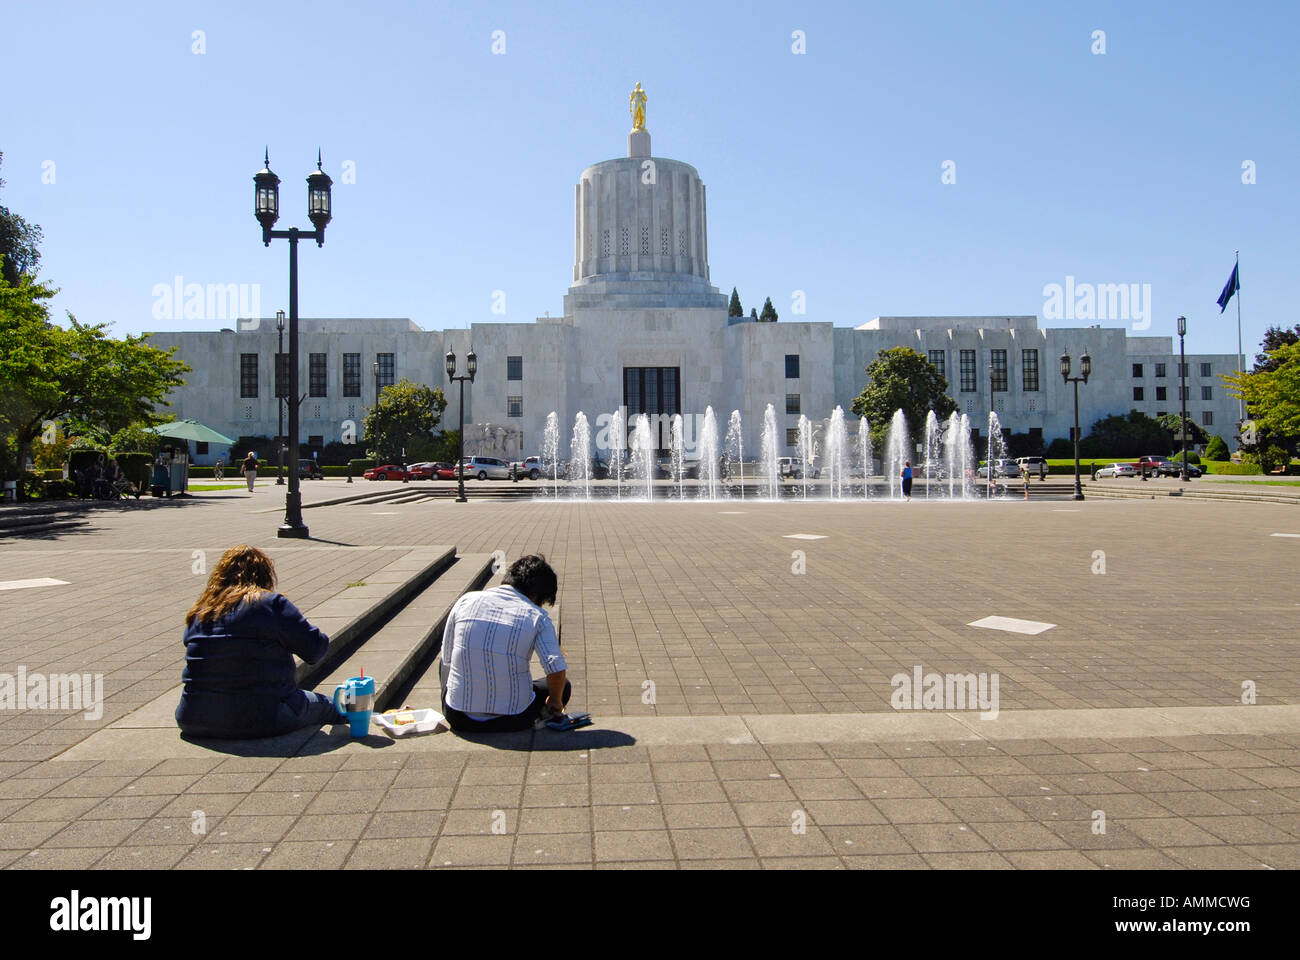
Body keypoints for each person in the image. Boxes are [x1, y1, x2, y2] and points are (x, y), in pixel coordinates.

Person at [176, 545, 346, 739]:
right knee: (330, 705)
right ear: (265, 575)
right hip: (263, 716)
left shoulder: (201, 612)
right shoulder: (271, 604)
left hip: (193, 718)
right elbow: (315, 650)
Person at [440, 554, 571, 733]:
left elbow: (447, 659)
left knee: (445, 664)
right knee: (563, 686)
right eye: (542, 602)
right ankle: (541, 714)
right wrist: (555, 702)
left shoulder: (465, 601)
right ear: (535, 596)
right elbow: (556, 669)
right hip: (513, 718)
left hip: (459, 717)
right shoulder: (537, 617)